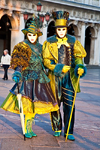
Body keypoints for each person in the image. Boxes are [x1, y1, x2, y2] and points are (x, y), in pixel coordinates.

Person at [0, 15, 59, 139]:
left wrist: (53, 67)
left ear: (37, 36)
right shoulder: (23, 46)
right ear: (27, 35)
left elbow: (45, 61)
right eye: (30, 35)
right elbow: (19, 63)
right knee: (27, 104)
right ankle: (27, 128)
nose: (32, 38)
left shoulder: (41, 47)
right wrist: (17, 73)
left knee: (35, 105)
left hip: (40, 78)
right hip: (27, 79)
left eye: (34, 35)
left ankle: (30, 127)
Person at [42, 11, 87, 141]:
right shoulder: (49, 42)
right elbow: (46, 60)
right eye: (59, 29)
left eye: (63, 29)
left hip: (69, 79)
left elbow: (79, 58)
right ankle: (57, 128)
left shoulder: (73, 41)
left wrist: (79, 67)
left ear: (66, 29)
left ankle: (69, 131)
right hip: (54, 78)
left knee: (69, 105)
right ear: (56, 29)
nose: (61, 32)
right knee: (55, 104)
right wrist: (58, 67)